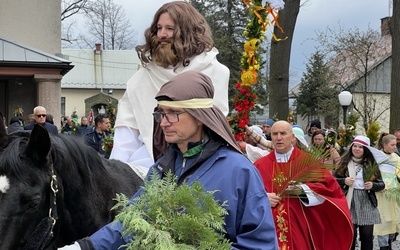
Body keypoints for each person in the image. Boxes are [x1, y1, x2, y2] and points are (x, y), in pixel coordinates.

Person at [60, 71, 278, 249]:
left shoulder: (238, 171)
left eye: (173, 113)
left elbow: (261, 244)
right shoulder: (162, 169)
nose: (163, 122)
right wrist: (84, 247)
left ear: (199, 116)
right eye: (161, 113)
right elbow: (134, 221)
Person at [109, 1, 229, 173]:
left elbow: (214, 128)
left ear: (187, 30)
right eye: (159, 28)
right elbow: (127, 131)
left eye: (170, 28)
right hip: (144, 166)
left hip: (200, 165)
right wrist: (116, 173)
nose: (162, 34)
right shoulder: (143, 75)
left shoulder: (213, 71)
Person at [254, 120, 353, 250]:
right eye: (275, 134)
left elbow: (329, 189)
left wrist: (302, 190)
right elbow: (249, 194)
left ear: (293, 137)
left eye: (283, 133)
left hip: (300, 226)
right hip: (269, 228)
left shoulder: (308, 163)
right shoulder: (260, 165)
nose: (278, 138)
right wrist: (264, 198)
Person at [334, 135, 386, 250]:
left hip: (366, 201)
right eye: (355, 146)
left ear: (365, 150)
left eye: (360, 147)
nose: (356, 149)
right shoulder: (344, 162)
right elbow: (333, 181)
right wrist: (344, 181)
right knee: (350, 235)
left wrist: (372, 185)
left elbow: (381, 184)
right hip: (349, 200)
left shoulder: (371, 164)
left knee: (367, 236)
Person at [374, 133, 400, 250]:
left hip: (394, 194)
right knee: (383, 221)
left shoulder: (397, 157)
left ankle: (390, 241)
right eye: (392, 145)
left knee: (394, 220)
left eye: (396, 144)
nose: (395, 147)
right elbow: (372, 174)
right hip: (382, 194)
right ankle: (383, 246)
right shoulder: (377, 157)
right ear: (384, 144)